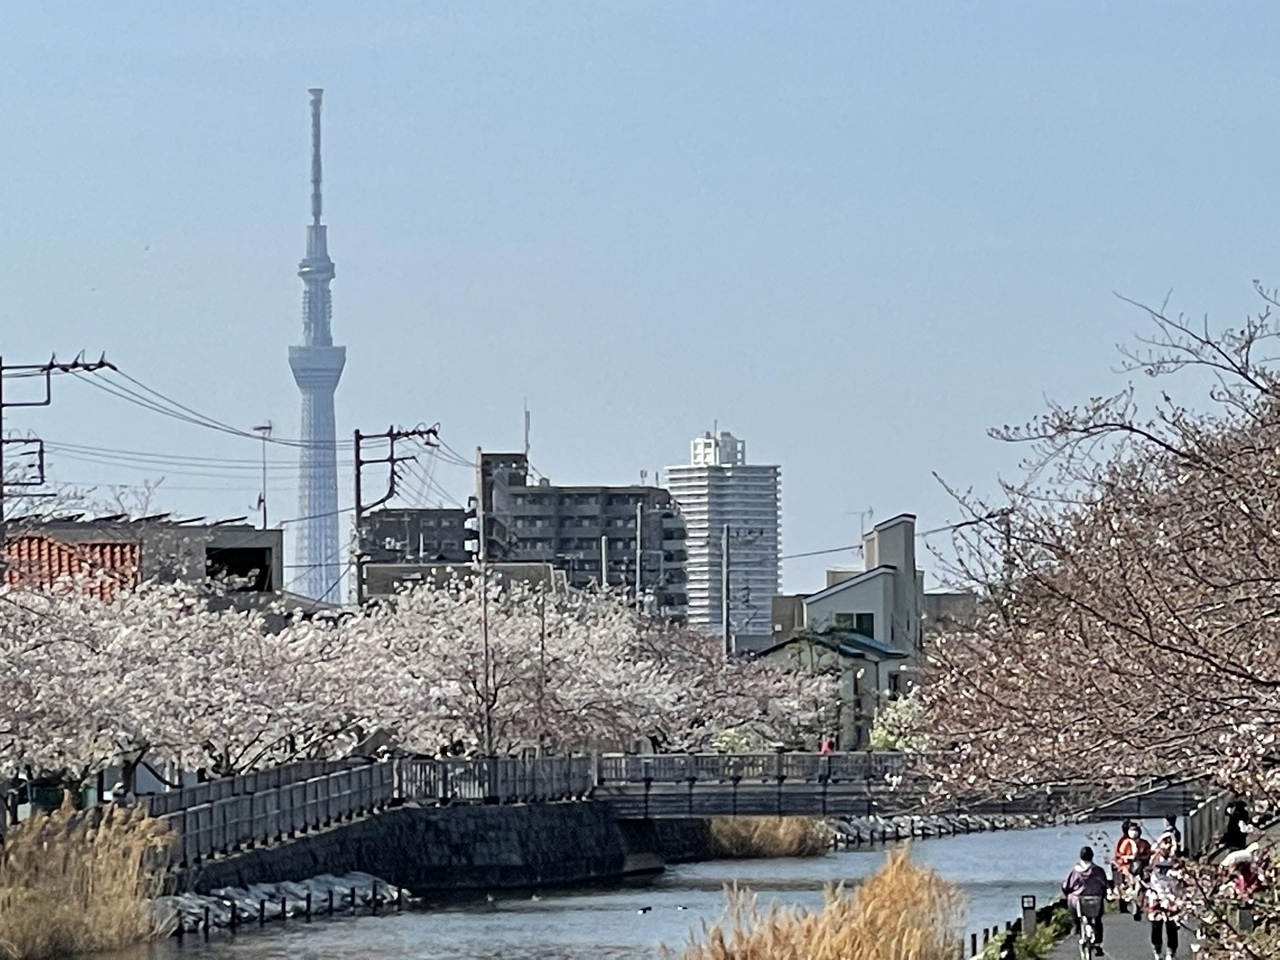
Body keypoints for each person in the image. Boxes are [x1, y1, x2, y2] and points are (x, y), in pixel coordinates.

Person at [1063, 845, 1110, 954]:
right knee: (1097, 919)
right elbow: (1105, 885)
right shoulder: (1098, 870)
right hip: (1095, 899)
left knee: (1072, 902)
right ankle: (1098, 942)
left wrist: (1067, 893)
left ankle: (1077, 926)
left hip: (1079, 900)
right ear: (1092, 856)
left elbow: (1067, 886)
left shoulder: (1076, 871)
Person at [1145, 858, 1184, 960]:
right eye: (1161, 868)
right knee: (1156, 926)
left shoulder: (1175, 876)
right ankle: (1157, 951)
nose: (1164, 871)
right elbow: (1157, 888)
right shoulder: (1154, 876)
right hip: (1157, 901)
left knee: (1172, 927)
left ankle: (1171, 952)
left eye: (1166, 868)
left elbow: (1178, 889)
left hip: (1172, 901)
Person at [1115, 821, 1152, 919]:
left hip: (1141, 869)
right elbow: (1119, 856)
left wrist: (1140, 858)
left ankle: (1139, 906)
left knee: (1141, 888)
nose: (1134, 832)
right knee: (1130, 888)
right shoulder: (1125, 843)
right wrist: (1129, 858)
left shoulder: (1144, 843)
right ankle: (1134, 905)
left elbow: (1149, 855)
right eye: (1131, 830)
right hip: (1127, 869)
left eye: (1135, 830)